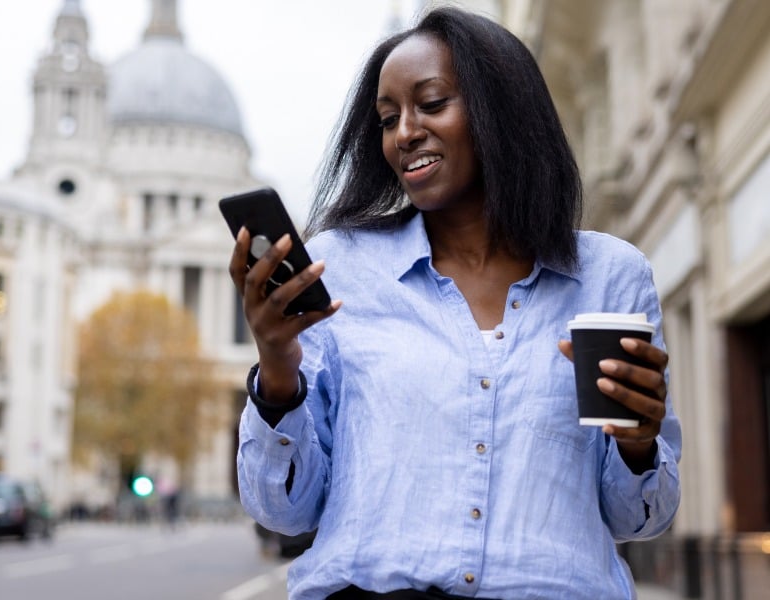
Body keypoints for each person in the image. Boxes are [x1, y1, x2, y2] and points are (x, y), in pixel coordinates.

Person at [228, 6, 681, 600]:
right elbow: (286, 511)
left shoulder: (608, 277)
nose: (404, 133)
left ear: (501, 112)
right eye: (388, 119)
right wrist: (278, 369)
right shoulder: (340, 269)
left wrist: (638, 440)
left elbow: (639, 519)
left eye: (432, 103)